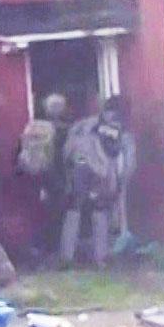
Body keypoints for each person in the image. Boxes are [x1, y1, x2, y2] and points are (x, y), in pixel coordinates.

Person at [59, 96, 134, 267]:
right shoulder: (121, 132)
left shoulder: (84, 125)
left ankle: (68, 257)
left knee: (76, 209)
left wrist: (69, 170)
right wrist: (120, 181)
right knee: (97, 210)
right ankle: (99, 258)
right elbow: (128, 161)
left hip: (82, 167)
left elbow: (68, 150)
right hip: (98, 172)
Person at [15, 92, 70, 256]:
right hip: (54, 177)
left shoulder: (32, 127)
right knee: (56, 214)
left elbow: (18, 151)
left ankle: (37, 248)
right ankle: (55, 249)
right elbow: (67, 155)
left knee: (37, 215)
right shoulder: (63, 130)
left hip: (32, 177)